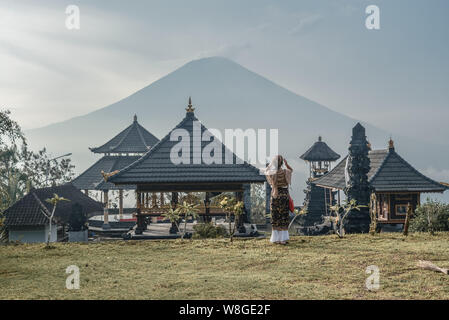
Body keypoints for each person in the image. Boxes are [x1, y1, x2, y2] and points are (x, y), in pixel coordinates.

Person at [264, 155, 293, 245]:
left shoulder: (272, 174)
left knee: (276, 216)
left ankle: (275, 239)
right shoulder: (286, 172)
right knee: (283, 216)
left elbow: (265, 171)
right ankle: (283, 239)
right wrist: (287, 164)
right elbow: (291, 170)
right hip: (284, 196)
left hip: (275, 196)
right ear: (281, 163)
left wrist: (270, 164)